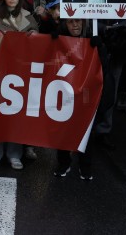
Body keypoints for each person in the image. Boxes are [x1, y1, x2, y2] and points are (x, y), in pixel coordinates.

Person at [0, 0, 39, 169]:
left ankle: (15, 153)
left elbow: (37, 42)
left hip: (21, 72)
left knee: (16, 112)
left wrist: (33, 36)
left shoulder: (29, 18)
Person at [53, 18, 98, 180]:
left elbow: (103, 68)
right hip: (65, 92)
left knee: (87, 129)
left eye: (78, 21)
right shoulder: (59, 39)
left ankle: (85, 165)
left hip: (86, 93)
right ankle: (63, 162)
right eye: (71, 22)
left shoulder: (93, 38)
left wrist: (100, 48)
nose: (75, 25)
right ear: (65, 24)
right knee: (63, 127)